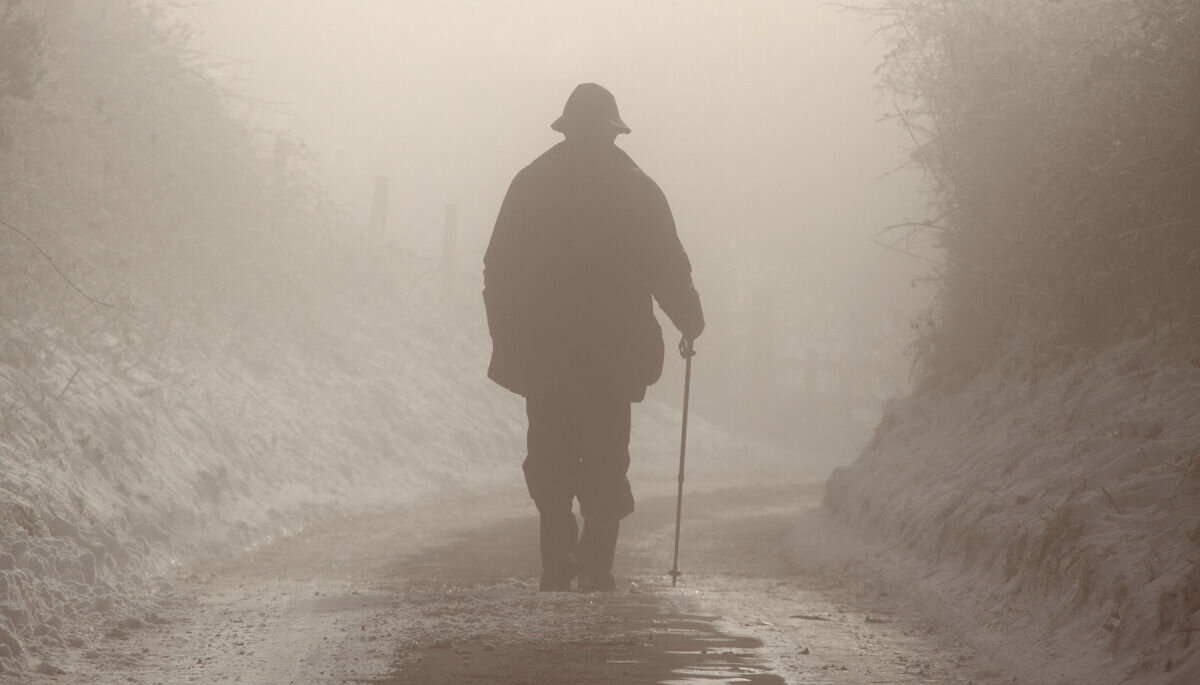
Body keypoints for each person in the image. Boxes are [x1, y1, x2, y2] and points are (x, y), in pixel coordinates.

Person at [483, 83, 704, 592]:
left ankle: (557, 557)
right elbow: (666, 263)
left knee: (550, 454)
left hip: (547, 353)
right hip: (613, 354)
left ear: (567, 127)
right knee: (606, 456)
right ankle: (597, 564)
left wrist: (508, 335)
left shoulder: (532, 183)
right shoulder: (636, 187)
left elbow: (499, 268)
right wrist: (688, 317)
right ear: (613, 130)